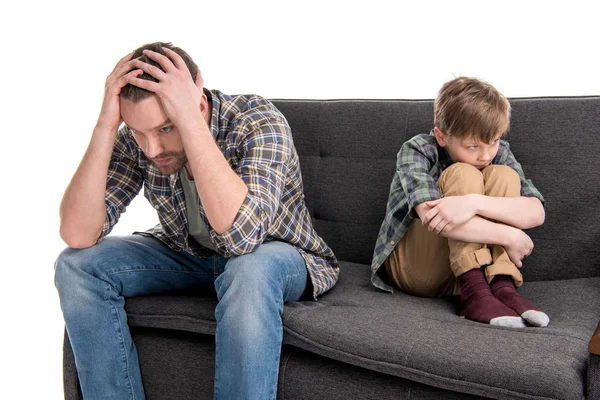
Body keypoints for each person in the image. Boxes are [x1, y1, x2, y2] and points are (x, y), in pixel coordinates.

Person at [54, 42, 339, 400]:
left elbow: (242, 239)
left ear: (198, 102)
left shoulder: (258, 120)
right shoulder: (138, 140)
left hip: (276, 255)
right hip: (191, 255)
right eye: (140, 133)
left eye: (165, 129)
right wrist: (106, 126)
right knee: (76, 266)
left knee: (247, 270)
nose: (153, 149)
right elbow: (77, 234)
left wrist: (189, 123)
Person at [370, 77, 549, 328]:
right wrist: (510, 236)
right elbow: (433, 219)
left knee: (503, 175)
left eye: (493, 142)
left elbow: (536, 211)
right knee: (462, 173)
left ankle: (501, 287)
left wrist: (473, 203)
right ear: (442, 136)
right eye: (473, 145)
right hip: (418, 271)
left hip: (468, 271)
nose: (486, 154)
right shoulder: (417, 150)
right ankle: (474, 292)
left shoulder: (499, 152)